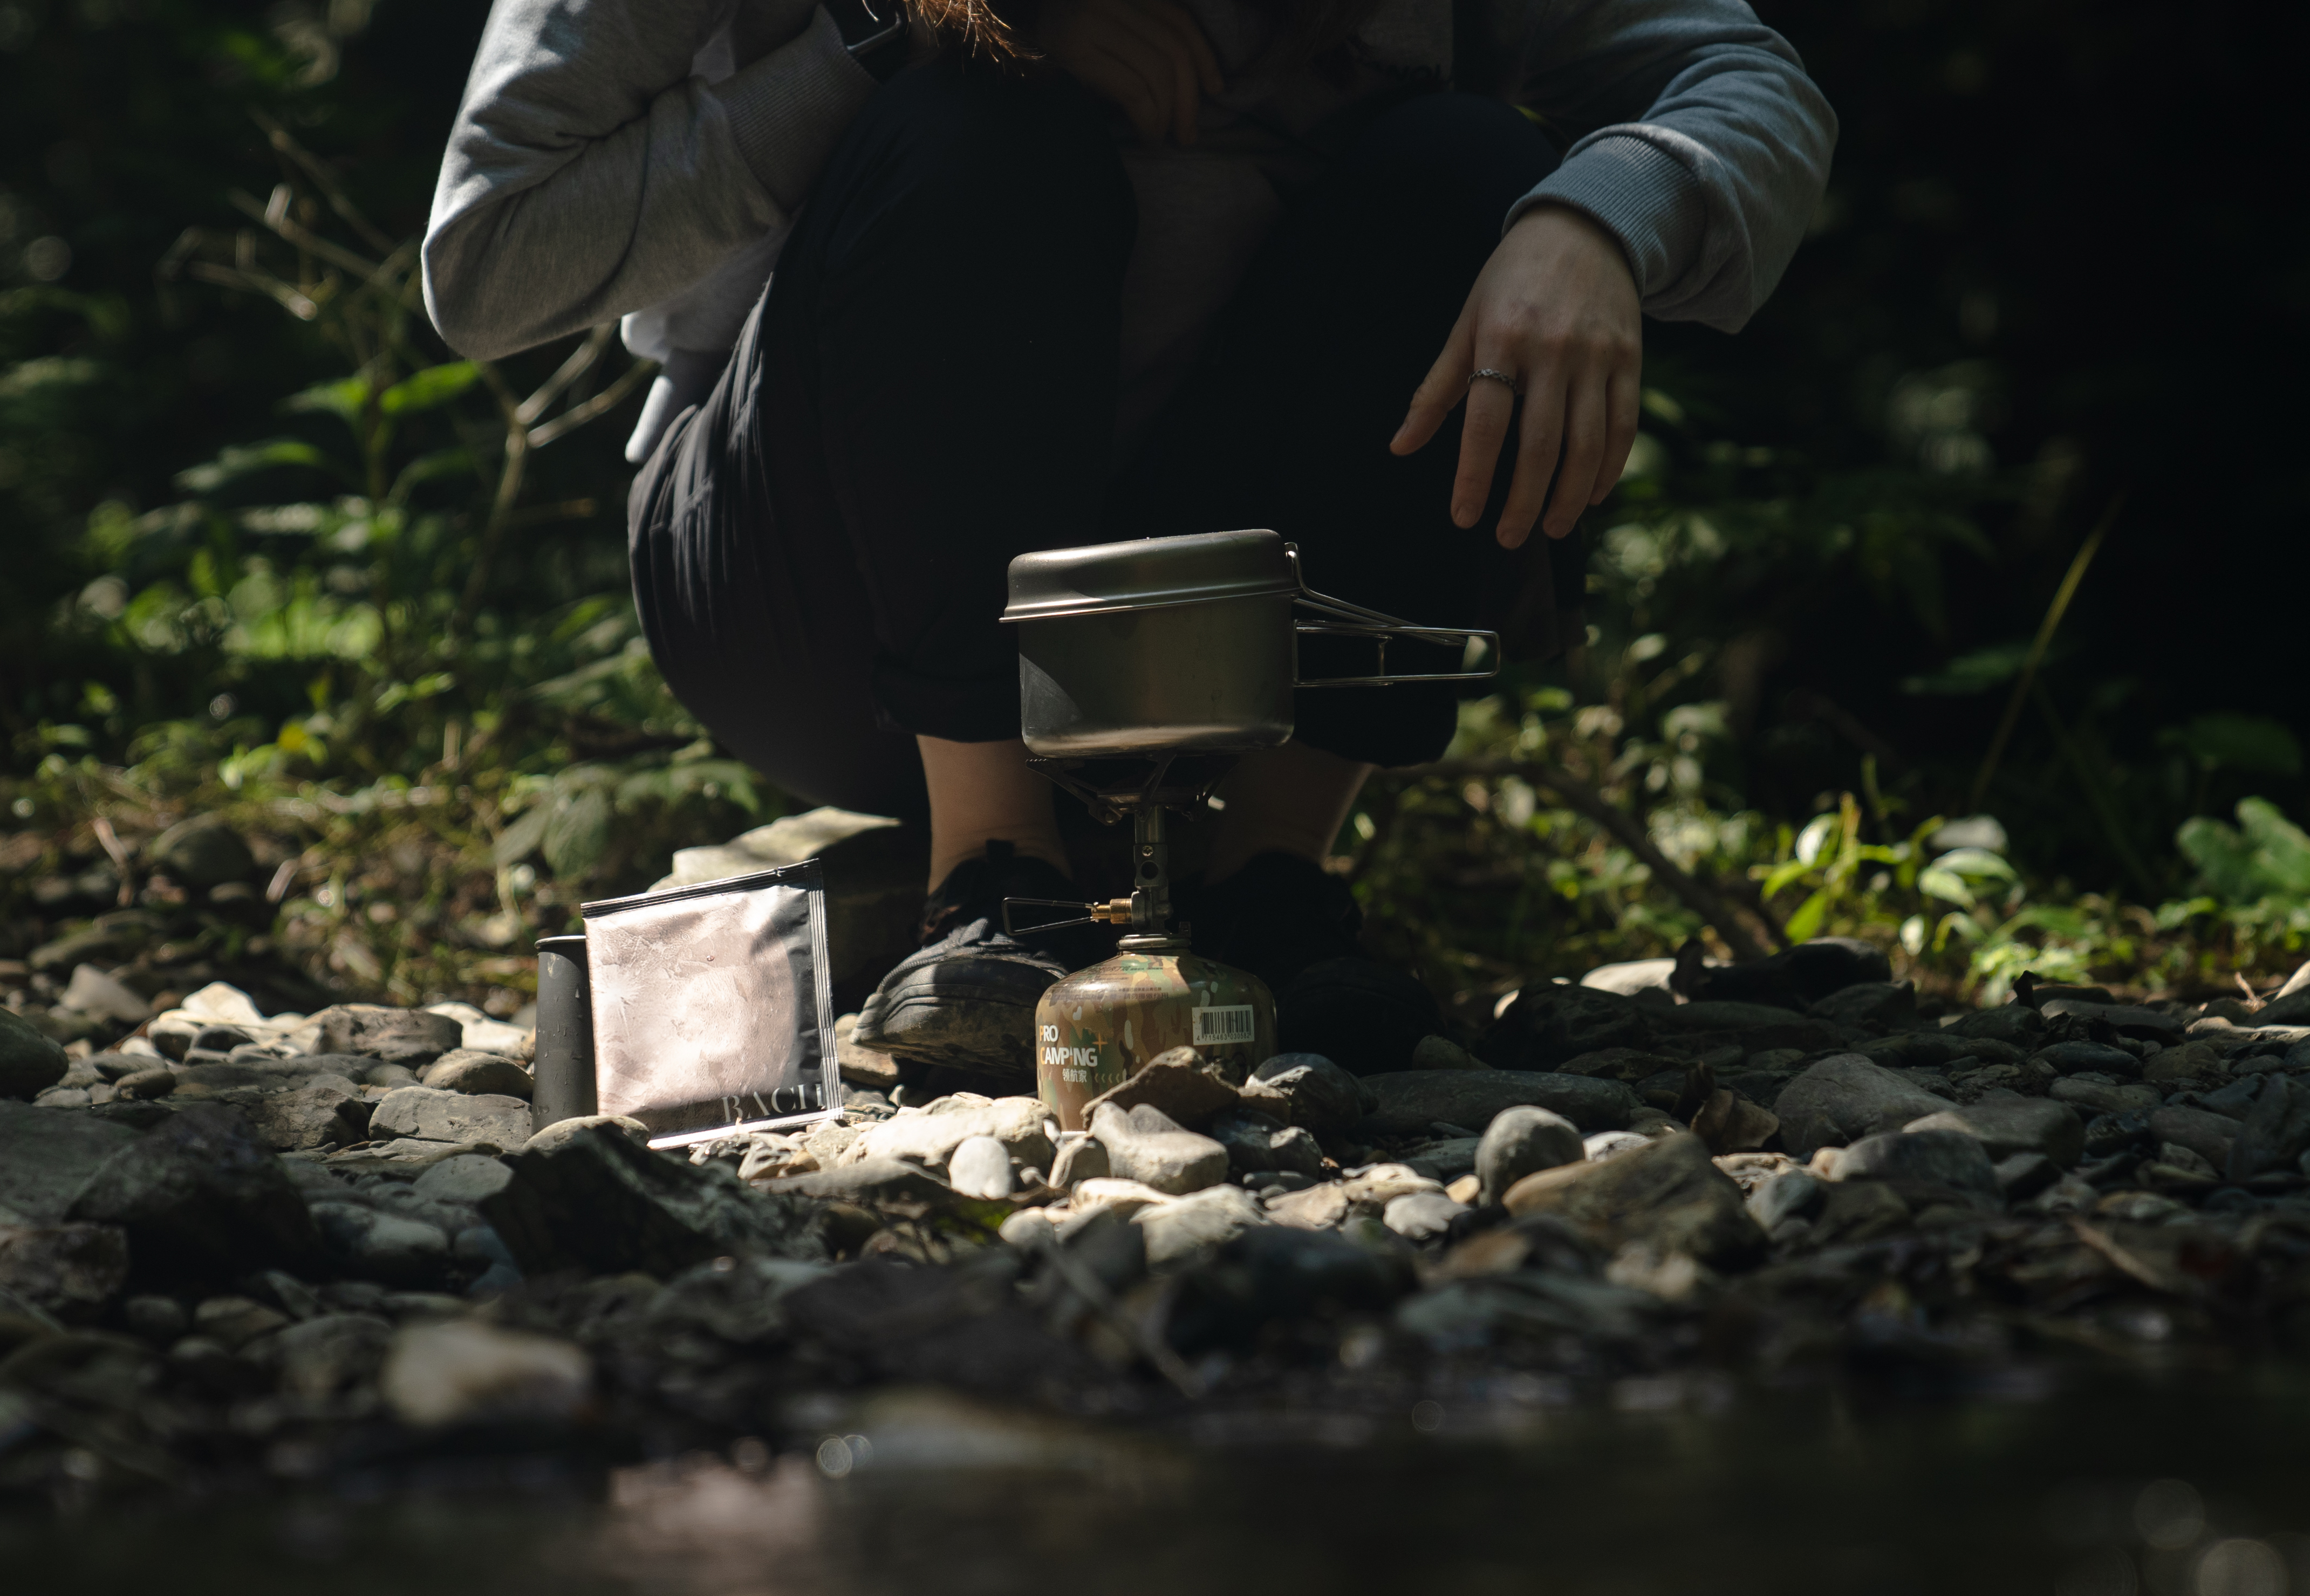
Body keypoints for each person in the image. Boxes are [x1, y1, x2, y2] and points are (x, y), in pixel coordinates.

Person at [423, 0, 1835, 1085]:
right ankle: (991, 881)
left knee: (1471, 171)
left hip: (1221, 616)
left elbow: (1754, 85)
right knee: (975, 119)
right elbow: (483, 262)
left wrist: (1600, 219)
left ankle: (1271, 882)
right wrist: (900, 41)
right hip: (803, 585)